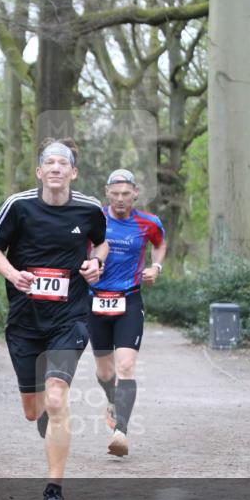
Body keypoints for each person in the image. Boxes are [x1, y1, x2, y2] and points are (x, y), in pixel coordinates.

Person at [0, 138, 108, 500]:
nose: (55, 168)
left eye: (63, 163)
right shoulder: (18, 206)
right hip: (24, 320)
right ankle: (47, 413)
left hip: (69, 317)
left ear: (73, 172)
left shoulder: (89, 210)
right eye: (49, 163)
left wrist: (94, 265)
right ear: (39, 172)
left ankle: (53, 492)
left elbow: (101, 245)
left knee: (57, 400)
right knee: (33, 410)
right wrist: (13, 274)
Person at [88, 169, 166, 457]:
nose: (120, 199)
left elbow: (160, 245)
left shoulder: (149, 223)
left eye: (126, 194)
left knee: (125, 366)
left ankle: (121, 431)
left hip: (129, 301)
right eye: (115, 194)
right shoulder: (94, 218)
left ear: (135, 193)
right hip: (95, 300)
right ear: (107, 193)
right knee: (105, 371)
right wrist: (87, 268)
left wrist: (156, 267)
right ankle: (111, 400)